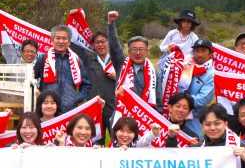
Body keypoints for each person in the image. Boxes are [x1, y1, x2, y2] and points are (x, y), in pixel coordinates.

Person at [77, 9, 125, 140]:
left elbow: (126, 78)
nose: (100, 45)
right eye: (97, 42)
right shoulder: (88, 61)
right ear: (93, 45)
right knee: (96, 142)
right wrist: (77, 20)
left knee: (117, 140)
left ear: (108, 42)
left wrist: (118, 75)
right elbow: (77, 46)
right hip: (95, 106)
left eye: (103, 41)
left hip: (114, 107)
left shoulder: (118, 61)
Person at [34, 24, 91, 112]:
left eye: (64, 38)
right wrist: (38, 93)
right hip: (48, 109)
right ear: (52, 40)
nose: (61, 41)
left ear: (69, 41)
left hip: (69, 110)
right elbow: (32, 79)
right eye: (58, 38)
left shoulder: (76, 60)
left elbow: (86, 84)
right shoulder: (43, 58)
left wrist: (76, 98)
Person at [113, 32, 158, 109]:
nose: (138, 53)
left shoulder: (154, 73)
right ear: (129, 52)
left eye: (141, 49)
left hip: (144, 113)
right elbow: (114, 47)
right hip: (123, 112)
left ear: (147, 51)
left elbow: (158, 99)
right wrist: (111, 25)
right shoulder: (121, 67)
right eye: (134, 49)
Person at [181, 39, 216, 139]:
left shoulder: (212, 74)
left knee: (195, 143)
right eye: (197, 51)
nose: (200, 54)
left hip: (193, 118)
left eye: (203, 50)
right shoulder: (186, 65)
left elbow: (202, 100)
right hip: (175, 114)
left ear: (210, 54)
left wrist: (180, 99)